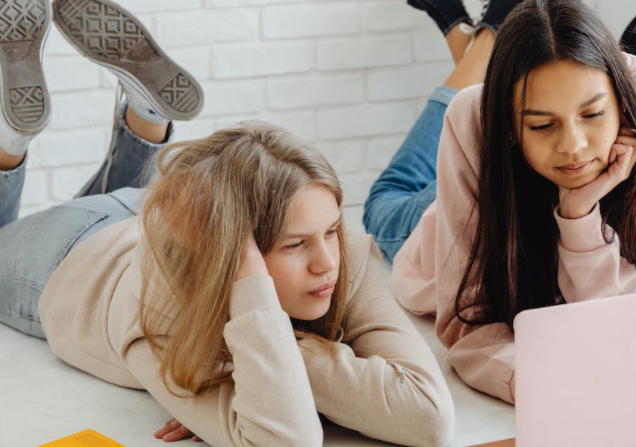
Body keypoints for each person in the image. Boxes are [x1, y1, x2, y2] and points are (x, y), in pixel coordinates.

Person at [0, 1, 454, 446]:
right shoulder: (164, 309)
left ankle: (144, 118)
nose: (326, 264)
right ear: (235, 249)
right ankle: (10, 140)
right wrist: (263, 368)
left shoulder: (343, 257)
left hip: (153, 209)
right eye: (295, 245)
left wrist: (265, 364)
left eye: (332, 230)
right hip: (67, 254)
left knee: (120, 195)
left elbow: (428, 419)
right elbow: (288, 440)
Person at [363, 0, 636, 404]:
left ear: (620, 100)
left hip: (515, 151)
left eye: (594, 114)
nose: (574, 147)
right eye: (543, 124)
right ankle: (481, 40)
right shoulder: (474, 124)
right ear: (512, 127)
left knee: (484, 100)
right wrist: (547, 386)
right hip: (467, 200)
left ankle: (482, 39)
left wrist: (580, 215)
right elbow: (469, 327)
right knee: (384, 201)